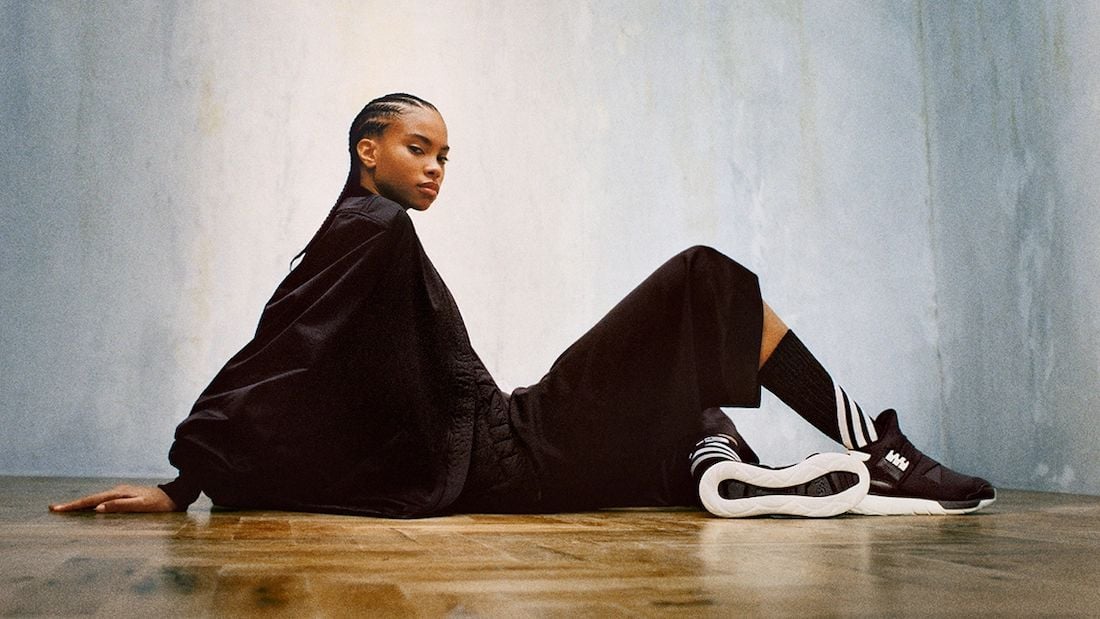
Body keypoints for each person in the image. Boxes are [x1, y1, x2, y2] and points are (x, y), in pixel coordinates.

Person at [50, 94, 995, 519]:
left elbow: (291, 346)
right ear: (368, 148)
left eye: (445, 155)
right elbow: (285, 348)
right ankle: (880, 452)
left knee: (686, 400)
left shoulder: (360, 231)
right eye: (418, 147)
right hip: (513, 455)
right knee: (703, 279)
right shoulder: (371, 227)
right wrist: (184, 482)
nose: (436, 167)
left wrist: (194, 479)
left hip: (508, 456)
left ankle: (720, 472)